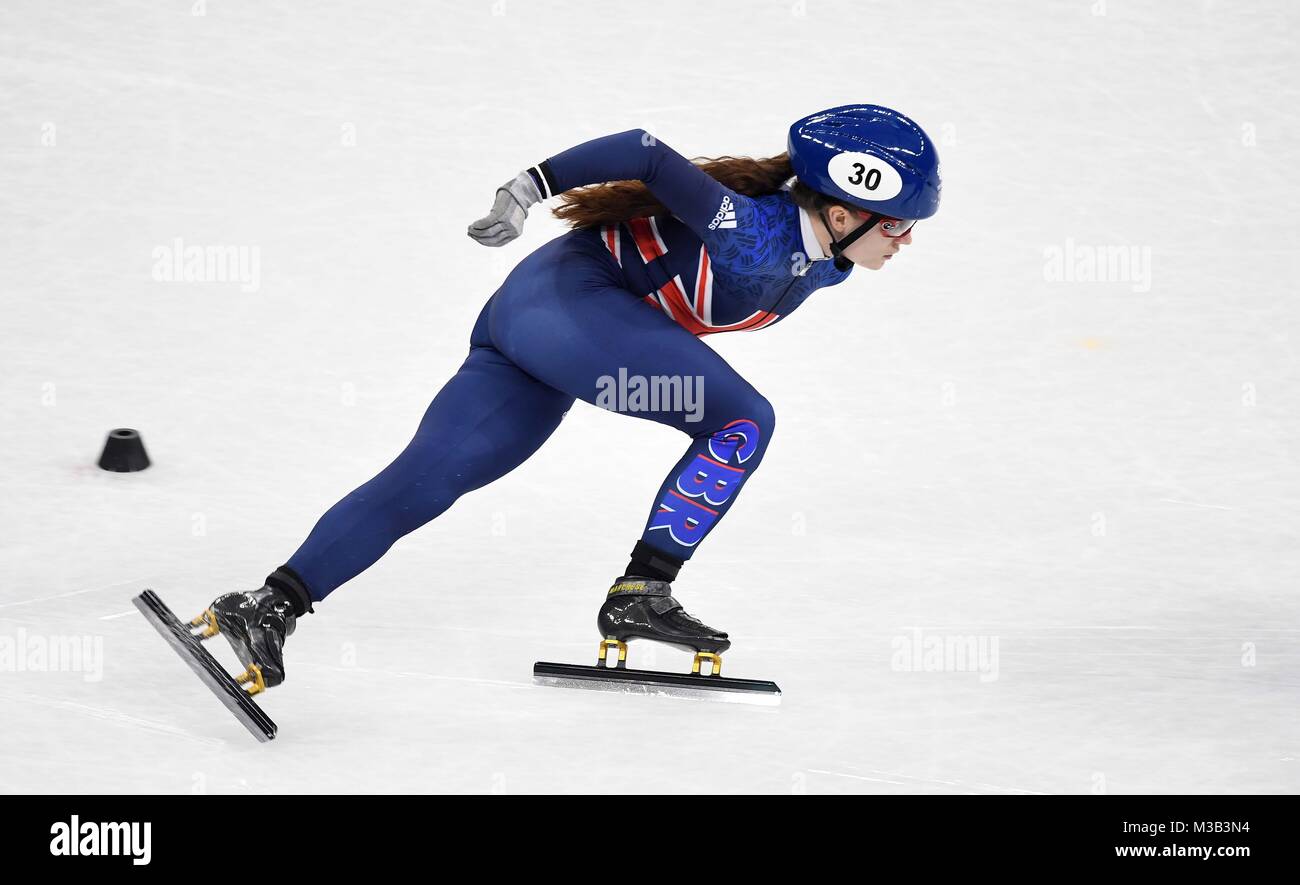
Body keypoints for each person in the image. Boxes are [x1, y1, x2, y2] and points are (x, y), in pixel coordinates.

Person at [191, 104, 942, 694]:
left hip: (547, 322)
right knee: (743, 420)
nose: (905, 242)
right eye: (901, 224)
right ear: (843, 212)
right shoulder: (751, 233)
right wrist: (525, 189)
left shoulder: (833, 264)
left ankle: (268, 604)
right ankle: (644, 589)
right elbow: (647, 151)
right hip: (569, 310)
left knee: (430, 476)